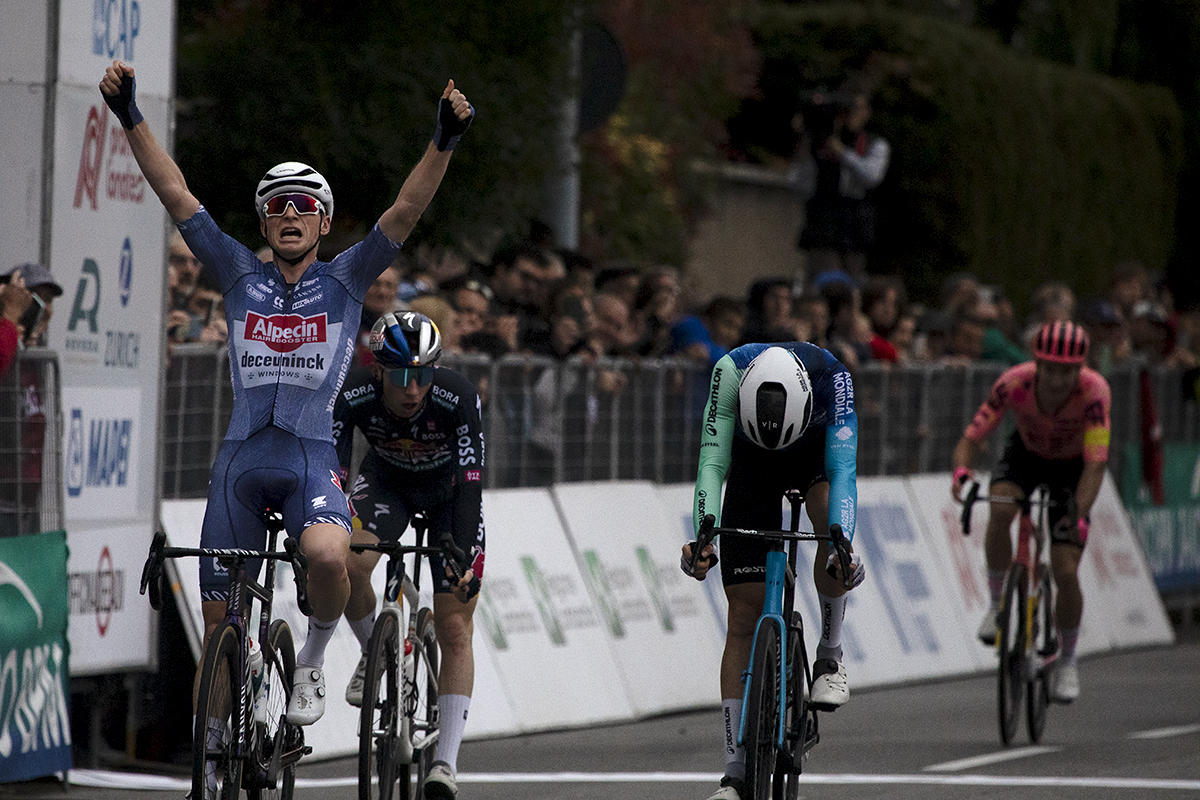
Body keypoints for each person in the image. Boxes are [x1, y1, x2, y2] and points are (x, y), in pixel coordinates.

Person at [98, 59, 474, 744]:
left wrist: (442, 141)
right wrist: (129, 115)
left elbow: (407, 210)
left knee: (331, 558)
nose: (291, 215)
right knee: (220, 626)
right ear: (264, 222)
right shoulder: (236, 269)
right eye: (278, 206)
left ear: (324, 223)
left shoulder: (349, 277)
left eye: (305, 207)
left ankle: (310, 663)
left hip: (309, 456)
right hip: (241, 459)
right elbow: (175, 192)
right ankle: (213, 757)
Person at [680, 343, 864, 800]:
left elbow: (843, 470)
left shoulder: (832, 377)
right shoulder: (728, 373)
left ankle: (829, 655)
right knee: (742, 618)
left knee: (829, 527)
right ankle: (734, 773)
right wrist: (704, 536)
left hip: (813, 459)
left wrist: (842, 540)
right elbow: (712, 462)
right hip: (750, 462)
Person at [334, 312, 484, 799]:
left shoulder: (456, 395)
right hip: (387, 483)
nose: (414, 389)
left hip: (448, 498)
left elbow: (470, 485)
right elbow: (333, 473)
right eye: (401, 376)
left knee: (455, 624)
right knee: (349, 561)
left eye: (423, 375)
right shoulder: (353, 390)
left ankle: (445, 763)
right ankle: (372, 654)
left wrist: (461, 556)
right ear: (378, 371)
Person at [950, 320, 1111, 704]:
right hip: (1026, 455)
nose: (1057, 380)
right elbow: (973, 436)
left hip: (1073, 467)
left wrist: (1080, 512)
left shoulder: (1094, 392)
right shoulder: (1014, 383)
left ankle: (1068, 660)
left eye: (1067, 371)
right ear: (1036, 363)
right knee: (1001, 507)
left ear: (1080, 369)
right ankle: (995, 607)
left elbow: (1096, 462)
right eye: (1050, 369)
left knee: (1065, 568)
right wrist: (961, 474)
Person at [791, 89, 890, 282]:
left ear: (867, 113)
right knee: (825, 279)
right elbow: (796, 183)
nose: (851, 115)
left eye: (857, 109)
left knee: (852, 283)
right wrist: (804, 142)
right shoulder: (819, 143)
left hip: (856, 226)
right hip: (824, 224)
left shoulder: (874, 144)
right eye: (847, 109)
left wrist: (842, 153)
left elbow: (871, 176)